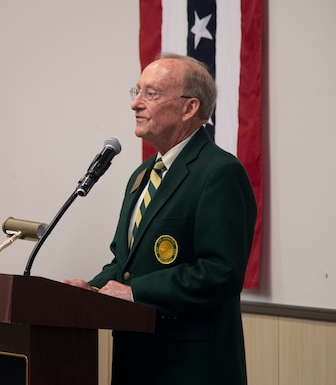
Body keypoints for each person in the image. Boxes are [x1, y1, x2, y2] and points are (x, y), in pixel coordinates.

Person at [64, 53, 257, 384]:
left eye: (150, 94)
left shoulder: (219, 172)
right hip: (136, 358)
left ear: (189, 108)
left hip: (190, 366)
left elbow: (221, 271)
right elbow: (124, 265)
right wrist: (91, 290)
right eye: (136, 91)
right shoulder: (142, 176)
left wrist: (136, 292)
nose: (135, 104)